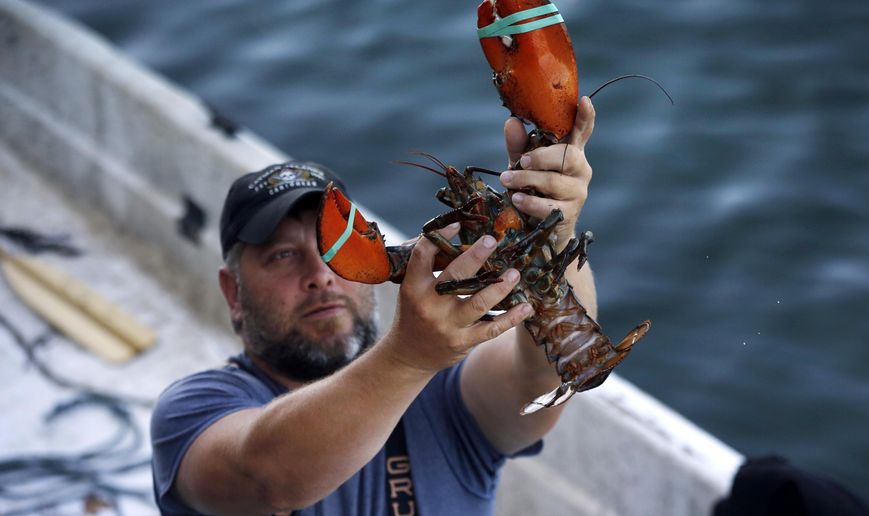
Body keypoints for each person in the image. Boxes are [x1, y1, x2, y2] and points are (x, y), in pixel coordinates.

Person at [150, 97, 599, 515]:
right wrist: (408, 357)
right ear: (233, 294)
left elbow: (545, 372)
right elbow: (267, 476)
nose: (320, 274)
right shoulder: (193, 411)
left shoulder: (444, 392)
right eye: (281, 255)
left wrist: (548, 235)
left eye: (330, 253)